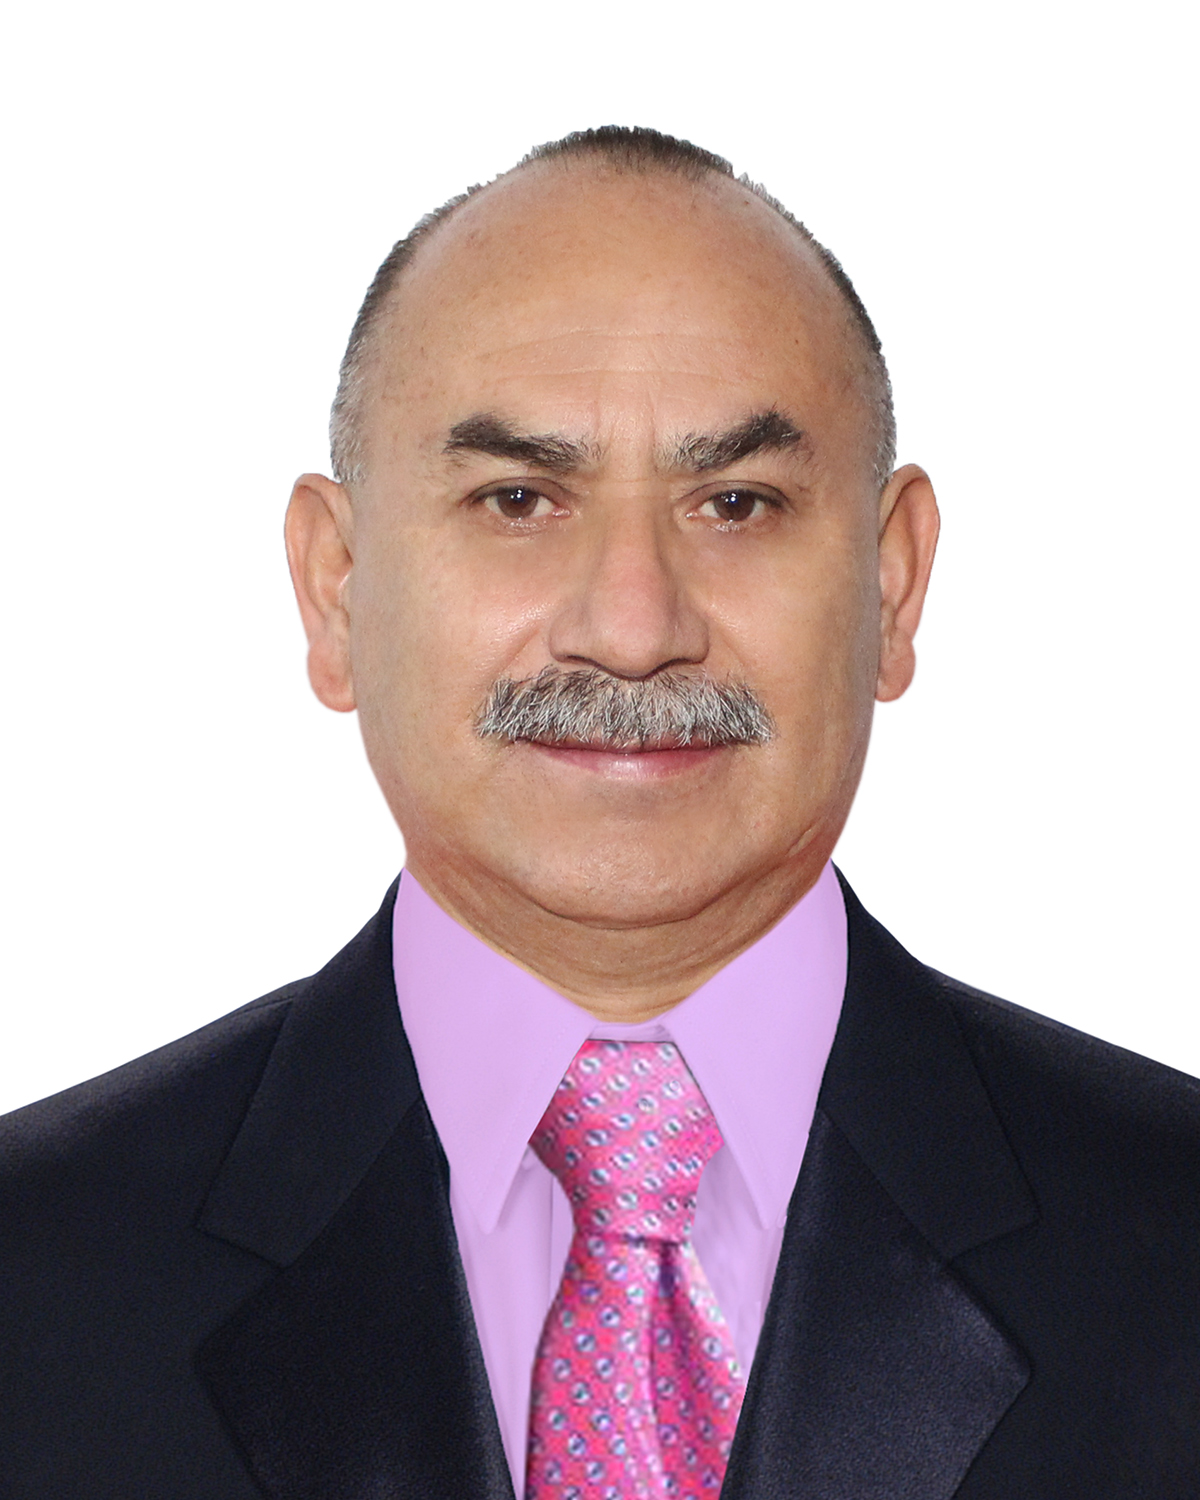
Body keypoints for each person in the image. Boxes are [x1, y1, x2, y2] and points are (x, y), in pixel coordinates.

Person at [2, 126, 1197, 1500]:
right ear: (336, 589)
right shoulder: (35, 1272)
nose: (632, 628)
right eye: (518, 500)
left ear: (892, 581)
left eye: (736, 503)